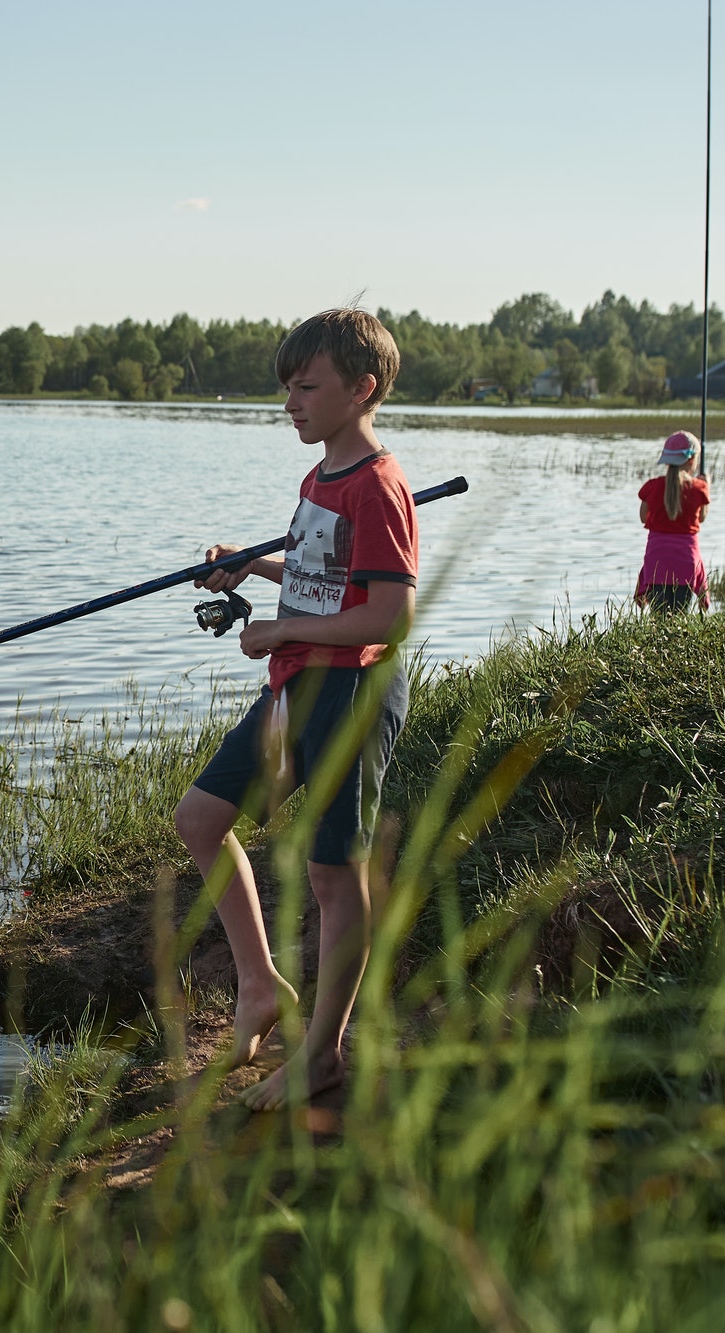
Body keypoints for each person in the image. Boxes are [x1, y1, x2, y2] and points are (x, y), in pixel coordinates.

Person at [172, 308, 418, 1111]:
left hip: (347, 693)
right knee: (202, 818)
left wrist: (285, 630)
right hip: (295, 685)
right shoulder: (319, 480)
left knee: (331, 873)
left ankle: (324, 1054)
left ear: (361, 388)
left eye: (306, 386)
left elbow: (388, 616)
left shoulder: (378, 485)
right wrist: (252, 568)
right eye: (288, 387)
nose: (291, 401)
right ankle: (258, 987)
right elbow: (324, 579)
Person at [635, 431, 709, 612]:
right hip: (686, 564)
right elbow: (701, 518)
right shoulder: (699, 489)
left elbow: (643, 517)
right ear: (692, 461)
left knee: (658, 619)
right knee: (679, 617)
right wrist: (706, 485)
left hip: (657, 563)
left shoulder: (652, 487)